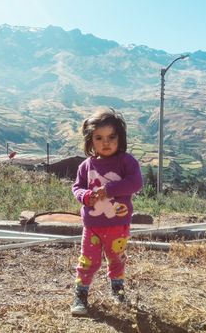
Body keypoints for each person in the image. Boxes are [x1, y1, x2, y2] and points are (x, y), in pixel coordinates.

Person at [71, 108, 143, 316]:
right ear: (90, 140)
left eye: (112, 137)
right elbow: (77, 187)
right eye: (99, 138)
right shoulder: (86, 165)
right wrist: (85, 196)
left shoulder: (126, 162)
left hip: (117, 226)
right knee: (87, 261)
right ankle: (81, 295)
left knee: (116, 259)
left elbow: (136, 182)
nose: (106, 142)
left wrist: (109, 190)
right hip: (92, 226)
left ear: (120, 138)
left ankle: (117, 291)